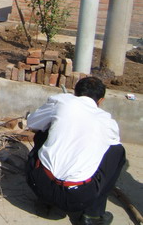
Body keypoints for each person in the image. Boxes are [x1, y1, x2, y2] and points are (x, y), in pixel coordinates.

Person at [25, 77, 126, 225]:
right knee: (117, 151)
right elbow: (111, 142)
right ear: (101, 100)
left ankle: (45, 202)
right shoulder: (107, 122)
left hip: (40, 185)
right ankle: (93, 215)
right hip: (78, 198)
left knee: (44, 131)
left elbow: (32, 122)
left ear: (75, 92)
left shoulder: (62, 102)